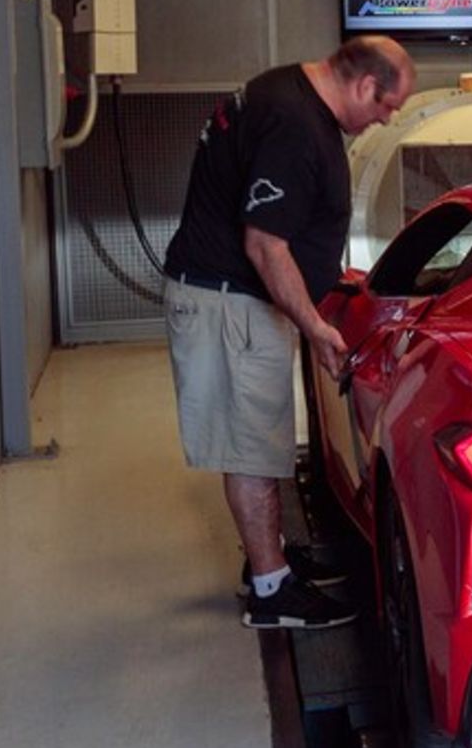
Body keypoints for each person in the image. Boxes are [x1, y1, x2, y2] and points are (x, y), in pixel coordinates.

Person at [162, 36, 416, 630]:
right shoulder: (295, 126)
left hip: (237, 299)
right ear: (364, 85)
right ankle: (271, 592)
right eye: (387, 106)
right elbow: (264, 245)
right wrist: (316, 325)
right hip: (230, 304)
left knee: (258, 438)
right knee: (251, 447)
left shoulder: (286, 90)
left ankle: (268, 557)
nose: (386, 119)